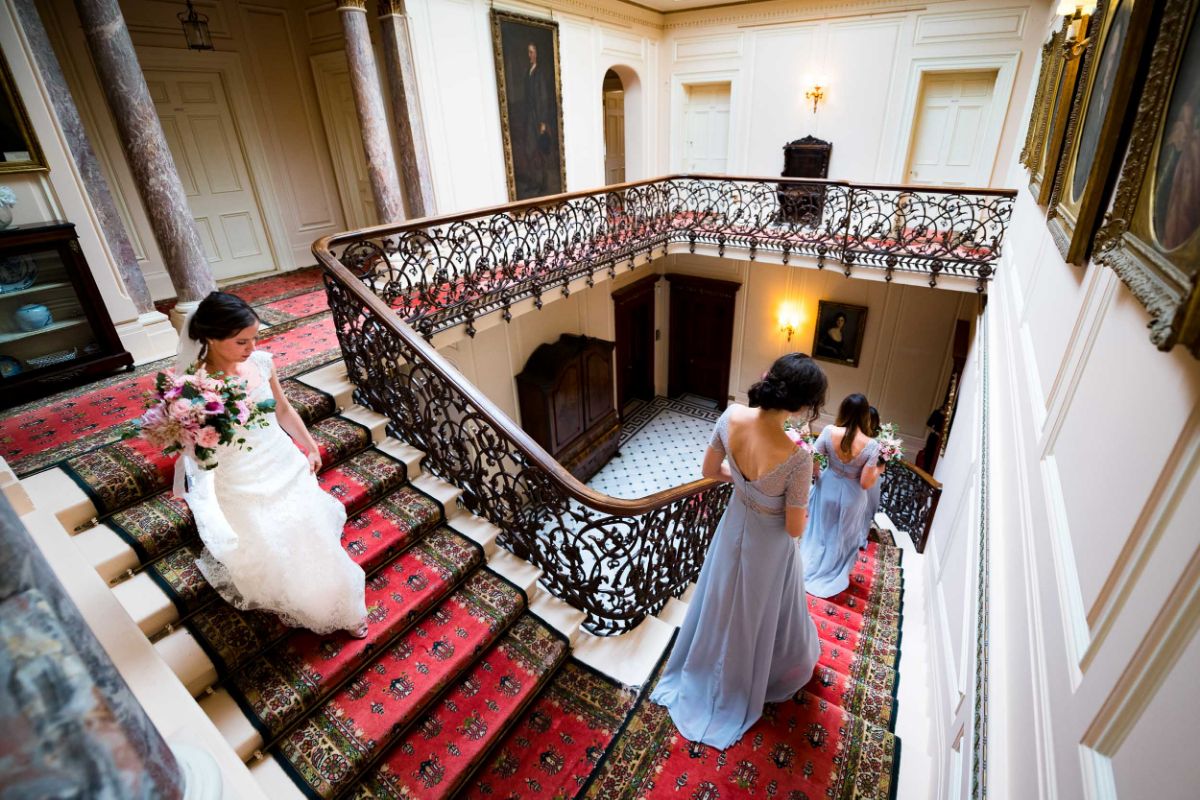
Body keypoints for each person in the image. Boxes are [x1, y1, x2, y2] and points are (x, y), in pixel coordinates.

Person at [650, 352, 827, 750]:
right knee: (754, 612)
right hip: (769, 546)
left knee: (720, 597)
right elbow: (794, 526)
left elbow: (710, 470)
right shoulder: (798, 458)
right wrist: (793, 495)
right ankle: (744, 679)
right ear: (801, 405)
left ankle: (703, 666)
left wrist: (749, 489)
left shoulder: (729, 417)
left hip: (733, 526)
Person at [173, 291, 368, 637]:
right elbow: (197, 445)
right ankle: (311, 601)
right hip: (239, 474)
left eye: (254, 337)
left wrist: (309, 446)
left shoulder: (262, 363)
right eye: (240, 341)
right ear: (210, 339)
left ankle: (344, 601)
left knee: (307, 528)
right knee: (273, 539)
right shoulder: (194, 388)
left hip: (281, 459)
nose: (251, 347)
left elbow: (282, 409)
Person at [801, 393, 883, 598]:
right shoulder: (872, 445)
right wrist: (878, 471)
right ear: (865, 415)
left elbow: (814, 459)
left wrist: (819, 476)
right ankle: (833, 572)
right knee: (843, 537)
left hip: (827, 486)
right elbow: (865, 482)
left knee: (820, 531)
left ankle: (808, 568)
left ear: (843, 410)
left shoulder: (829, 431)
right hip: (852, 496)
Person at [860, 405, 883, 550]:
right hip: (857, 475)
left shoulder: (879, 440)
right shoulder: (856, 435)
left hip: (872, 478)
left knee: (866, 508)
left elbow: (880, 461)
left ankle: (861, 536)